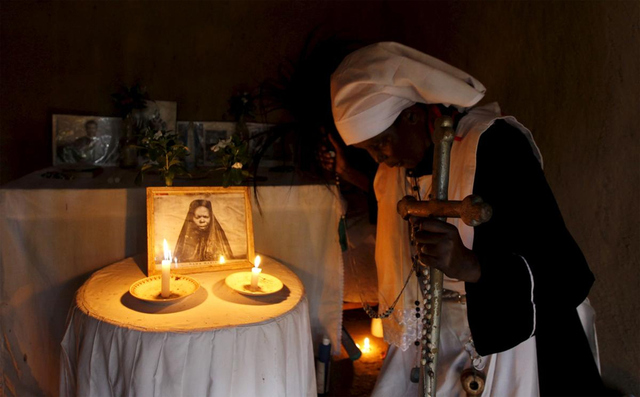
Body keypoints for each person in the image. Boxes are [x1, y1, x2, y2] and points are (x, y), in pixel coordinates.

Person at [326, 42, 609, 396]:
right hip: (436, 338)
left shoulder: (495, 146)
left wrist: (472, 265)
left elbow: (564, 271)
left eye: (380, 144)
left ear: (412, 116)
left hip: (516, 339)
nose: (381, 158)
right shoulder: (394, 173)